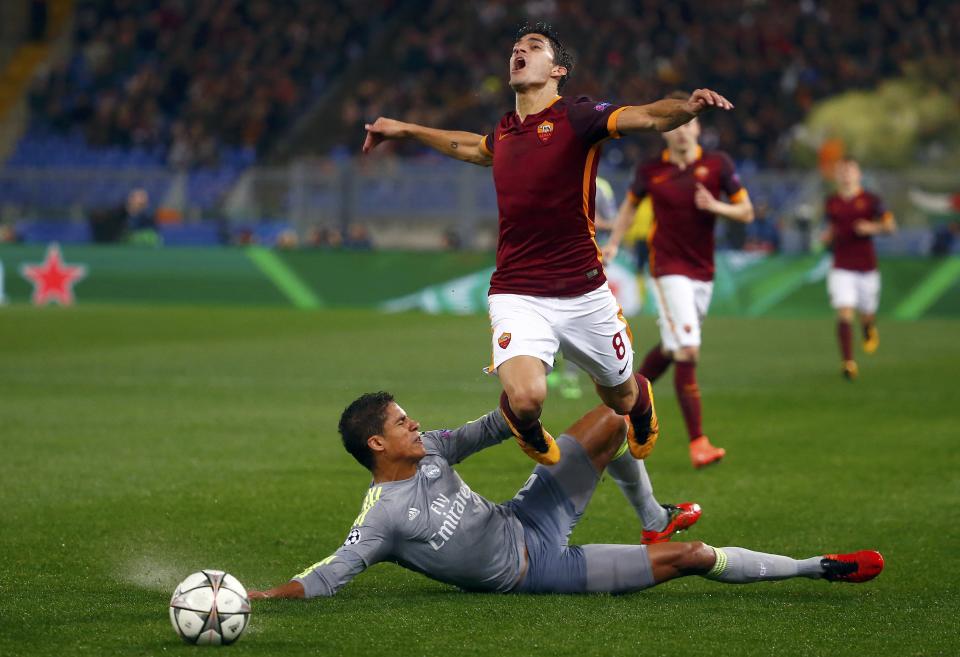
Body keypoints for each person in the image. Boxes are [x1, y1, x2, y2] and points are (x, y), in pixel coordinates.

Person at [362, 23, 736, 469]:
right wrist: (403, 129)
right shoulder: (503, 133)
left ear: (557, 69)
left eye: (533, 47)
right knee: (527, 396)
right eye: (516, 47)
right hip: (517, 291)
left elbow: (649, 116)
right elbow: (467, 147)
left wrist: (686, 108)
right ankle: (526, 425)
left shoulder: (578, 117)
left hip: (584, 293)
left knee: (620, 394)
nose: (519, 51)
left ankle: (640, 405)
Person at [248, 393, 883, 599]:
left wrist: (519, 400)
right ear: (378, 447)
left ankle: (653, 517)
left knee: (619, 409)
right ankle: (817, 567)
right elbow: (331, 573)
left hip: (529, 513)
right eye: (402, 423)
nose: (415, 425)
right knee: (691, 559)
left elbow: (492, 428)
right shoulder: (383, 518)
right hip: (536, 569)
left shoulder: (435, 449)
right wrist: (266, 596)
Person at [602, 92, 755, 469]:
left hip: (703, 272)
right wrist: (614, 243)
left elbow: (747, 211)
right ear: (667, 131)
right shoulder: (652, 170)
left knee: (673, 349)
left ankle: (621, 402)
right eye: (678, 126)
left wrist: (715, 206)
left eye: (691, 124)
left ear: (699, 129)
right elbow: (629, 207)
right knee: (687, 350)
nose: (684, 132)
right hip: (668, 270)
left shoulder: (718, 165)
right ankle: (698, 441)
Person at [821, 158, 897, 380]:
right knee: (844, 311)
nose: (845, 174)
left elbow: (891, 226)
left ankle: (868, 327)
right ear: (837, 176)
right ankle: (848, 362)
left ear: (859, 174)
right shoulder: (832, 202)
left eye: (849, 170)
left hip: (866, 267)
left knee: (866, 313)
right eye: (841, 171)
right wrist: (827, 236)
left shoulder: (872, 200)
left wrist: (872, 227)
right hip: (841, 265)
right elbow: (831, 228)